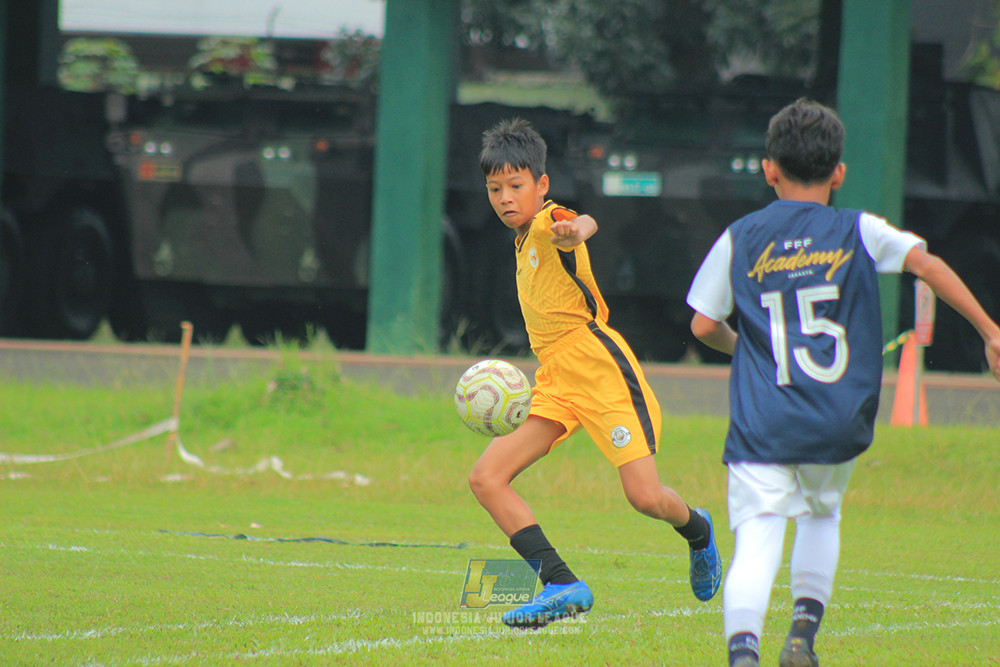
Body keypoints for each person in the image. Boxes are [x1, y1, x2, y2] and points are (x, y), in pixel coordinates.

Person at [686, 98, 1000, 667]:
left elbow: (703, 324)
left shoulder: (741, 236)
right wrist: (990, 330)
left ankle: (743, 655)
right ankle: (801, 639)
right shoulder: (859, 229)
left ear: (768, 169)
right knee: (822, 513)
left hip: (763, 420)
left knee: (757, 536)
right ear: (839, 173)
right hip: (836, 416)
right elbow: (927, 265)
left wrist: (746, 349)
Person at [468, 117, 722, 629]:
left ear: (541, 185)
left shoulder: (549, 223)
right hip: (556, 379)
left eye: (516, 185)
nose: (505, 198)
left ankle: (698, 532)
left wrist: (574, 230)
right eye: (495, 189)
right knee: (486, 478)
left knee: (645, 498)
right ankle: (562, 584)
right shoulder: (520, 238)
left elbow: (581, 223)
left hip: (600, 368)